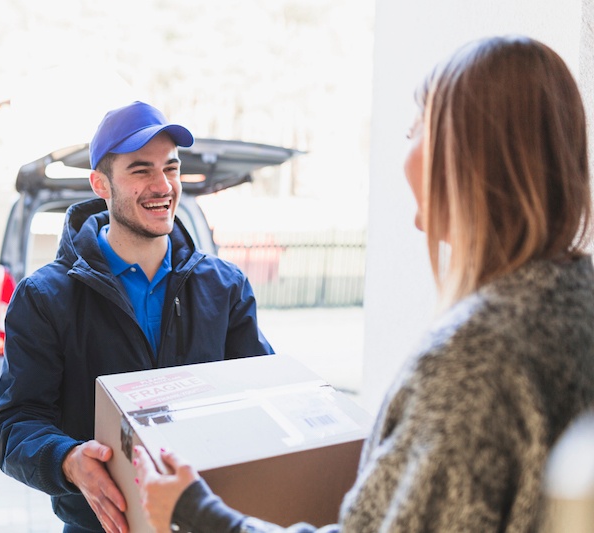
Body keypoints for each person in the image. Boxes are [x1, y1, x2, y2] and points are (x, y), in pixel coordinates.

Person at [133, 35, 594, 532]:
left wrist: (197, 514)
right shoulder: (576, 299)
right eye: (142, 171)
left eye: (415, 128)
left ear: (466, 155)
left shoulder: (475, 359)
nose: (163, 186)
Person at [0, 101, 274, 533]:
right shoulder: (45, 298)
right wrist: (67, 461)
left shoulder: (224, 287)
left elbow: (264, 395)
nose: (163, 186)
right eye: (141, 170)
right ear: (100, 183)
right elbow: (12, 424)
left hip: (200, 520)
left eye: (171, 168)